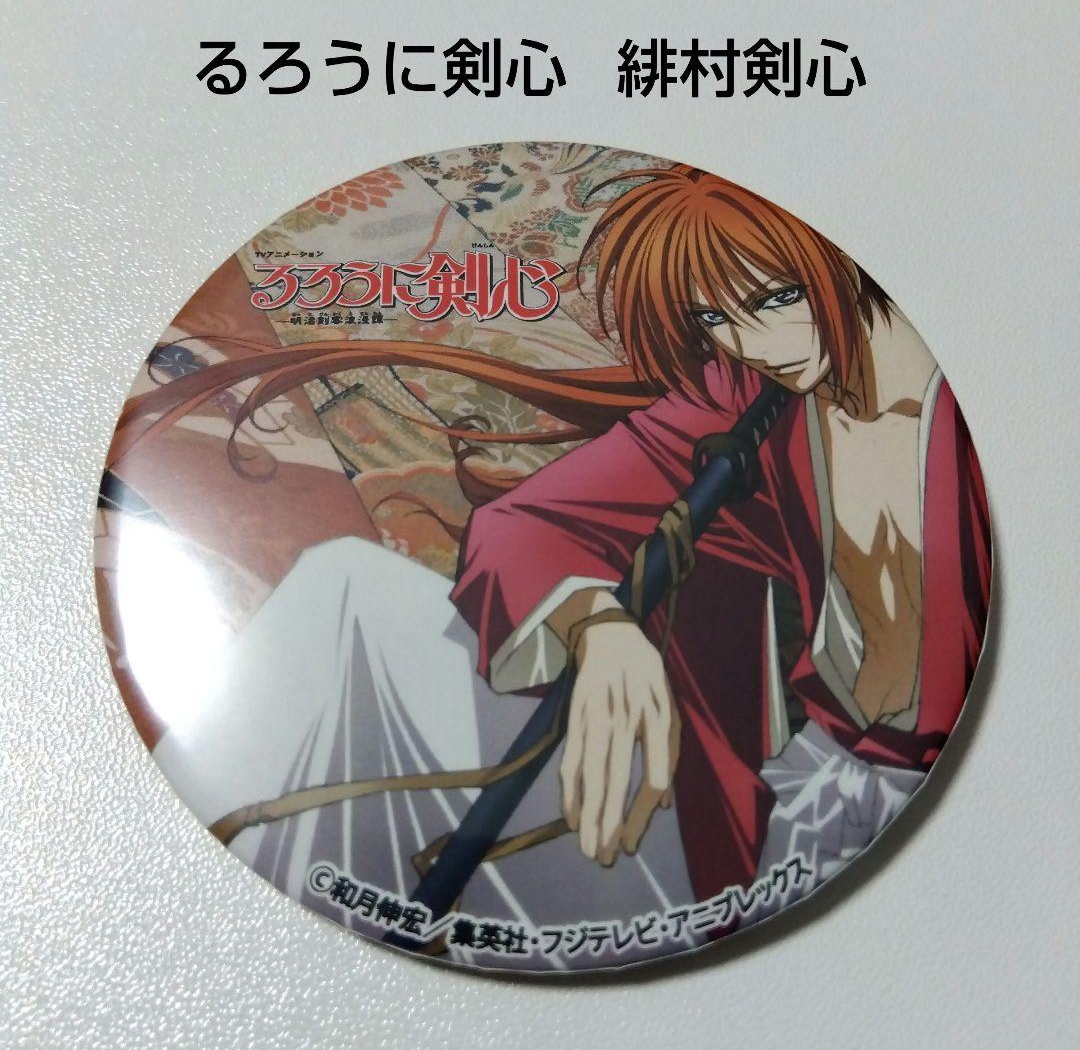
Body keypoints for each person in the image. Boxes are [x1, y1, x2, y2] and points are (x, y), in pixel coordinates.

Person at [111, 164, 991, 965]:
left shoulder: (968, 424)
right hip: (771, 795)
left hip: (897, 840)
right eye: (716, 319)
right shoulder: (751, 391)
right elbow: (526, 523)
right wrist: (599, 624)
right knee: (348, 593)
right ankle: (218, 943)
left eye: (778, 297)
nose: (757, 341)